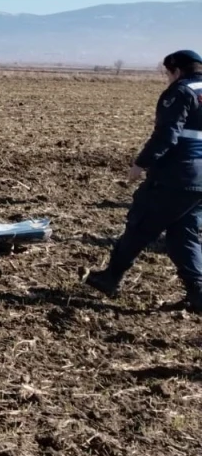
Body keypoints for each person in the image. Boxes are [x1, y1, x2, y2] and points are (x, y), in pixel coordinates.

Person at [82, 49, 202, 312]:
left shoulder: (180, 92)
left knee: (140, 226)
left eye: (168, 74)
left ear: (177, 71)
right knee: (183, 235)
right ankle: (198, 293)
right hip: (199, 183)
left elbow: (167, 134)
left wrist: (141, 163)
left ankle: (110, 277)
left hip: (176, 176)